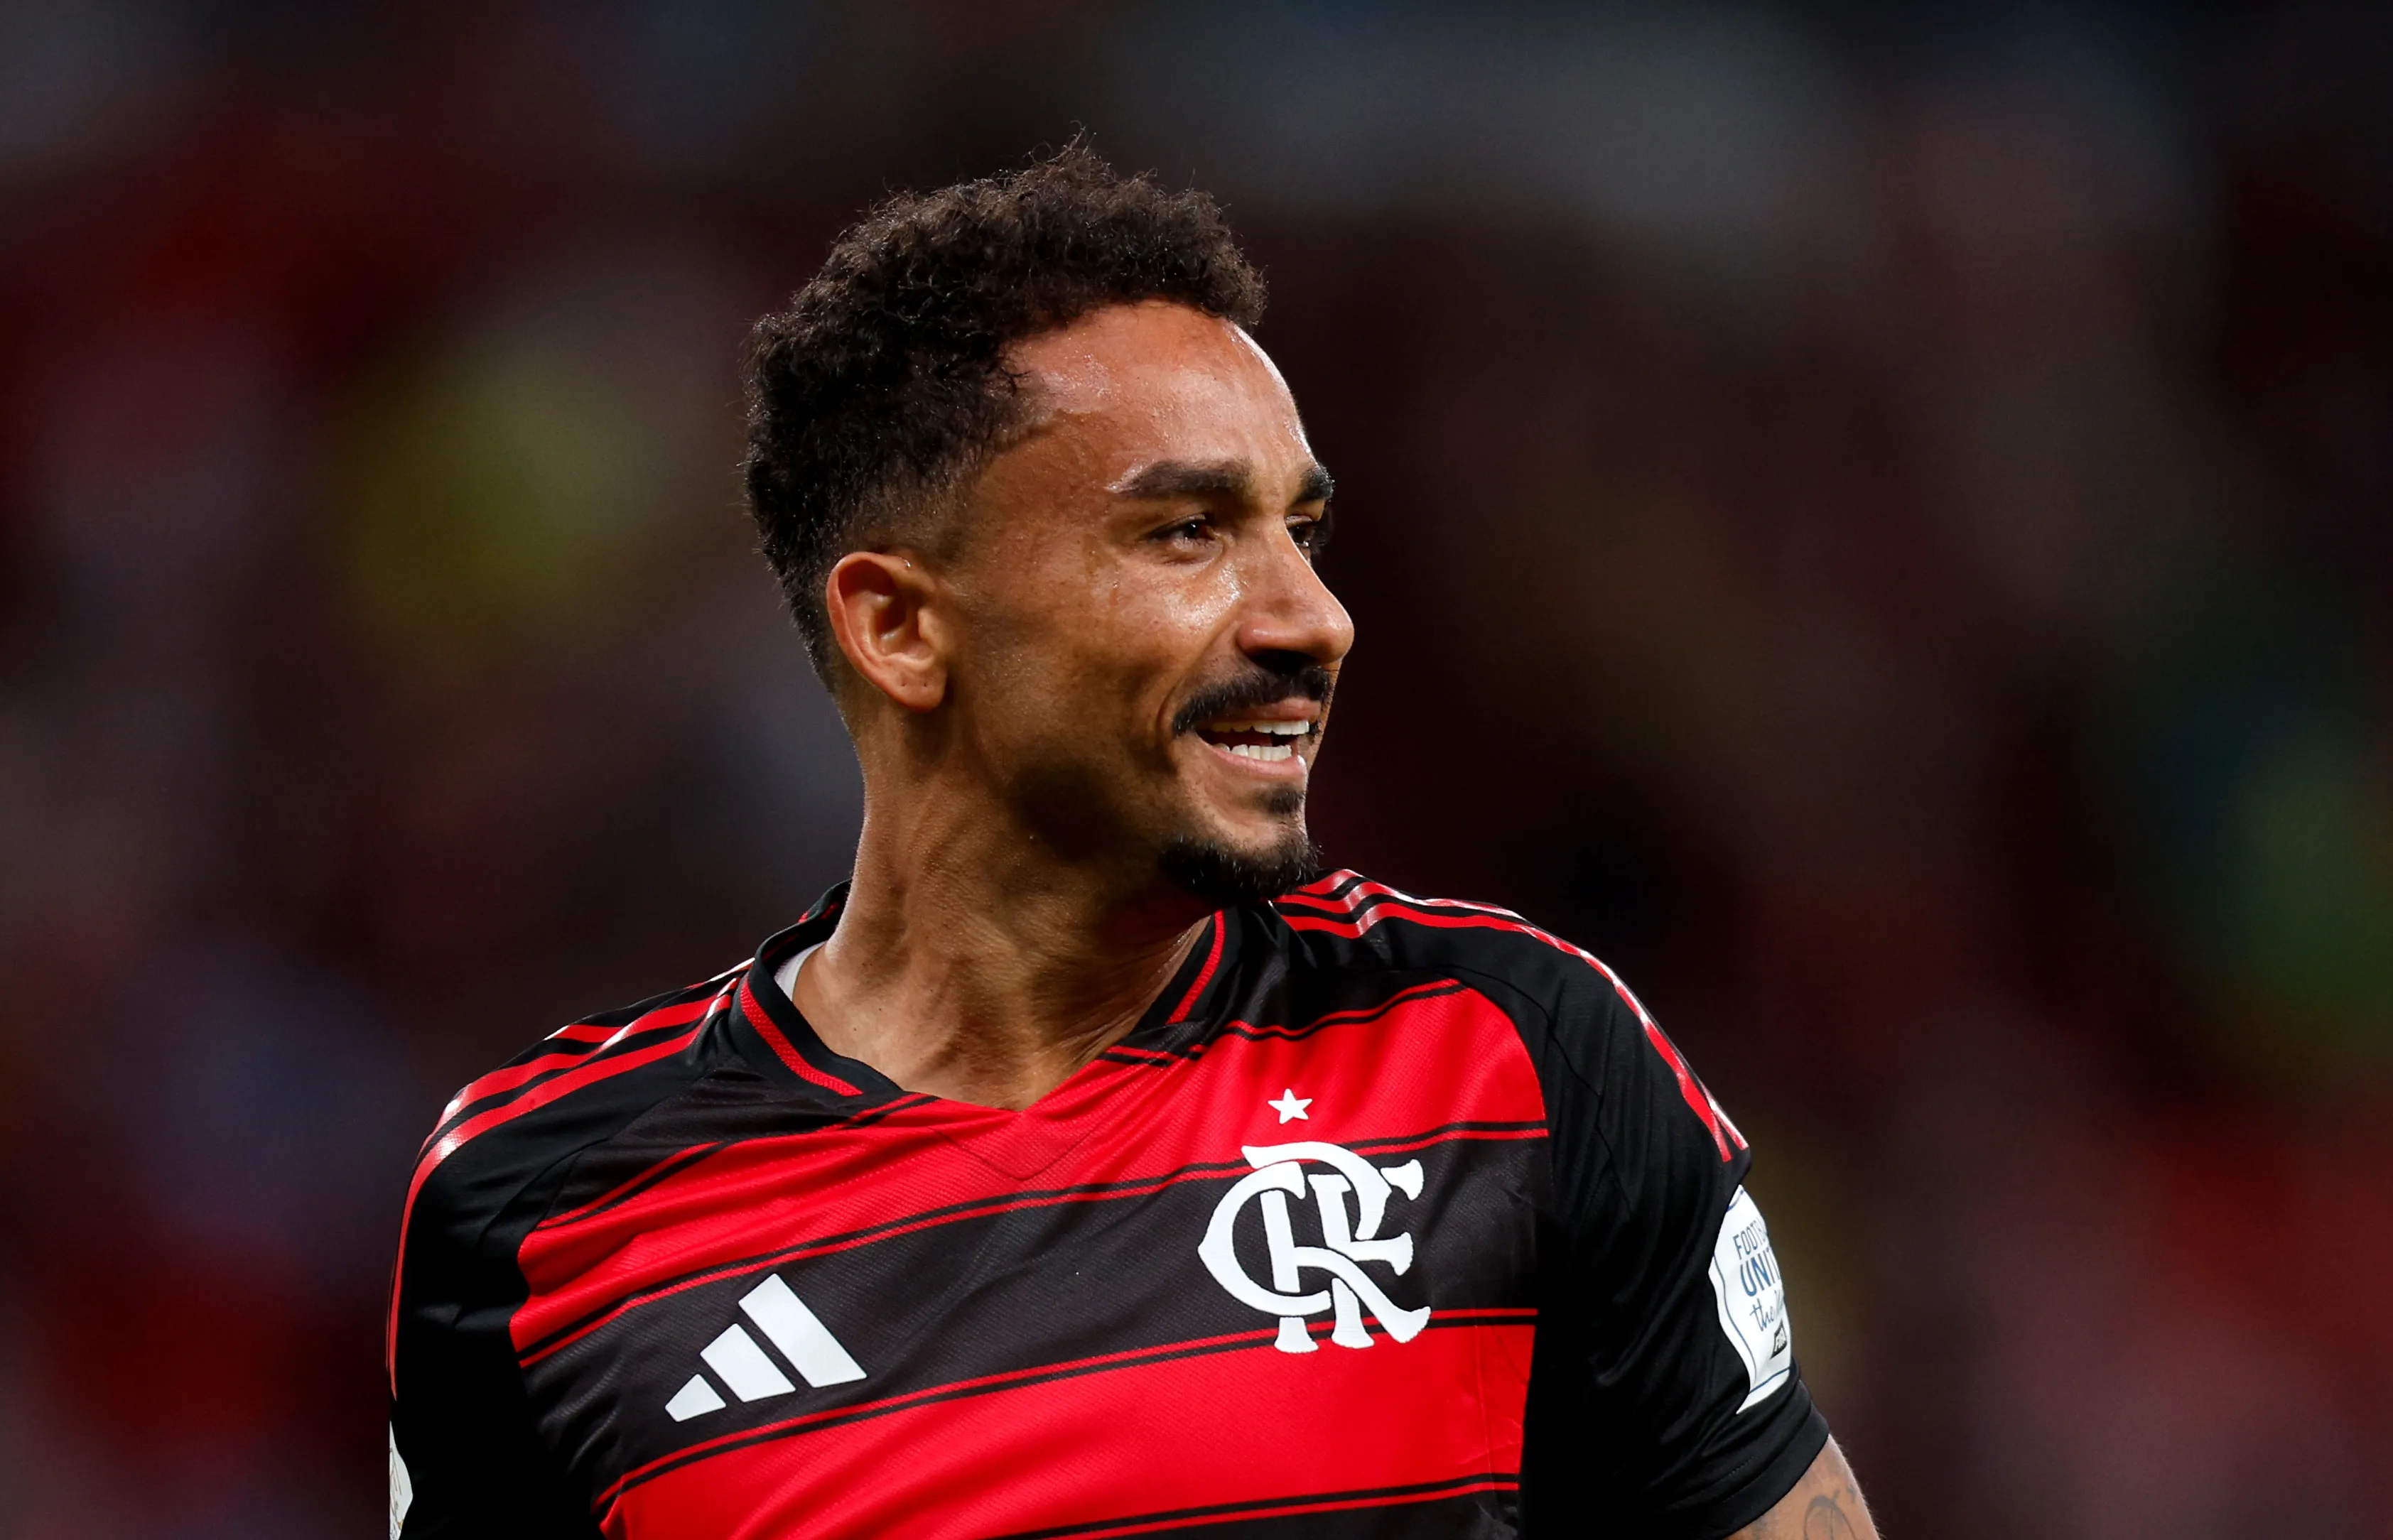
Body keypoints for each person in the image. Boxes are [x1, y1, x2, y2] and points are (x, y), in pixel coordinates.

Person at [385, 145, 1878, 1540]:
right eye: (1186, 533)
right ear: (900, 625)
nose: (1311, 617)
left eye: (1302, 529)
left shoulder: (1510, 1061)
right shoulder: (537, 1210)